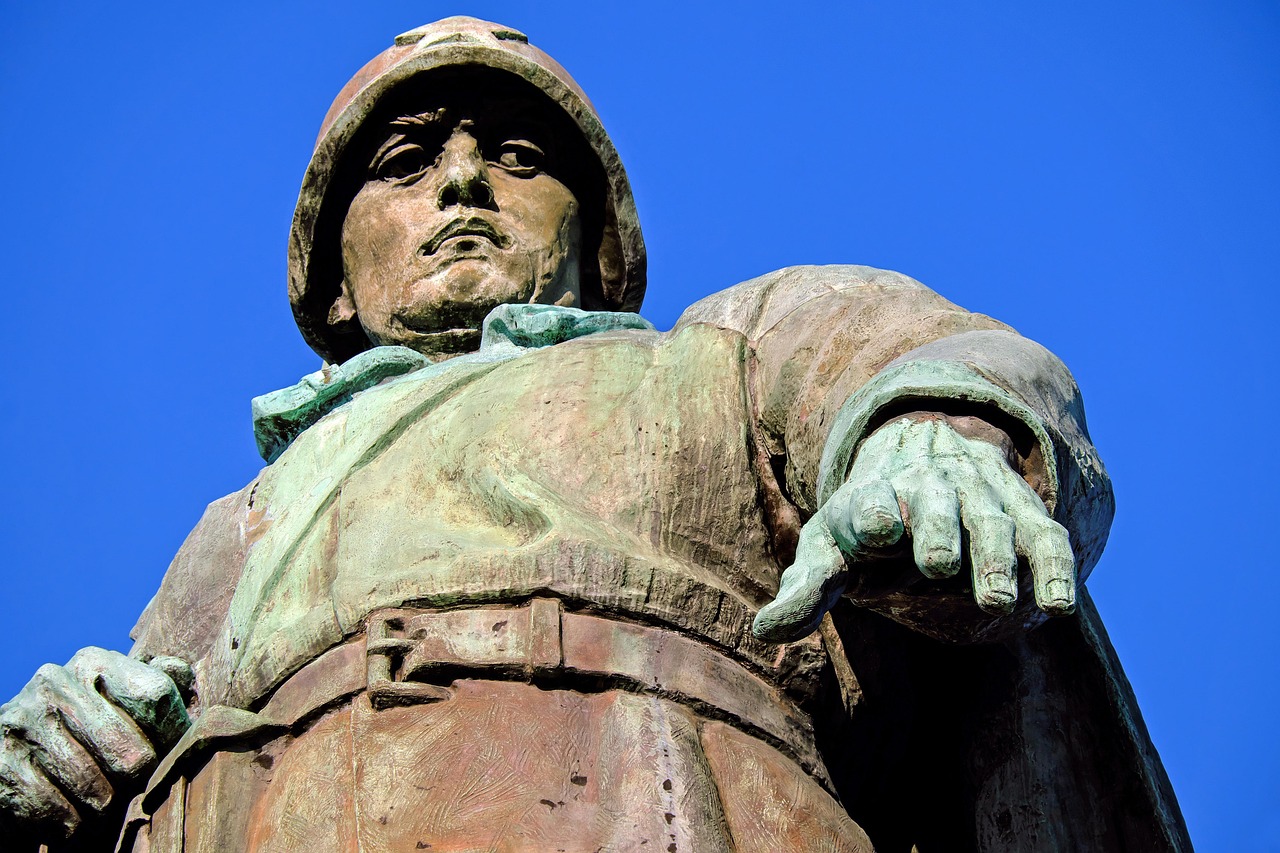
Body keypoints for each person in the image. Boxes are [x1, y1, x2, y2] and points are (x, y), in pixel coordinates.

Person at [0, 17, 1190, 852]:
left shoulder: (708, 359)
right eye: (407, 162)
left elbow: (914, 359)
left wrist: (934, 441)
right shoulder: (231, 533)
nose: (463, 184)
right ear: (335, 284)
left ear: (599, 242)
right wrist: (50, 757)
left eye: (516, 159)